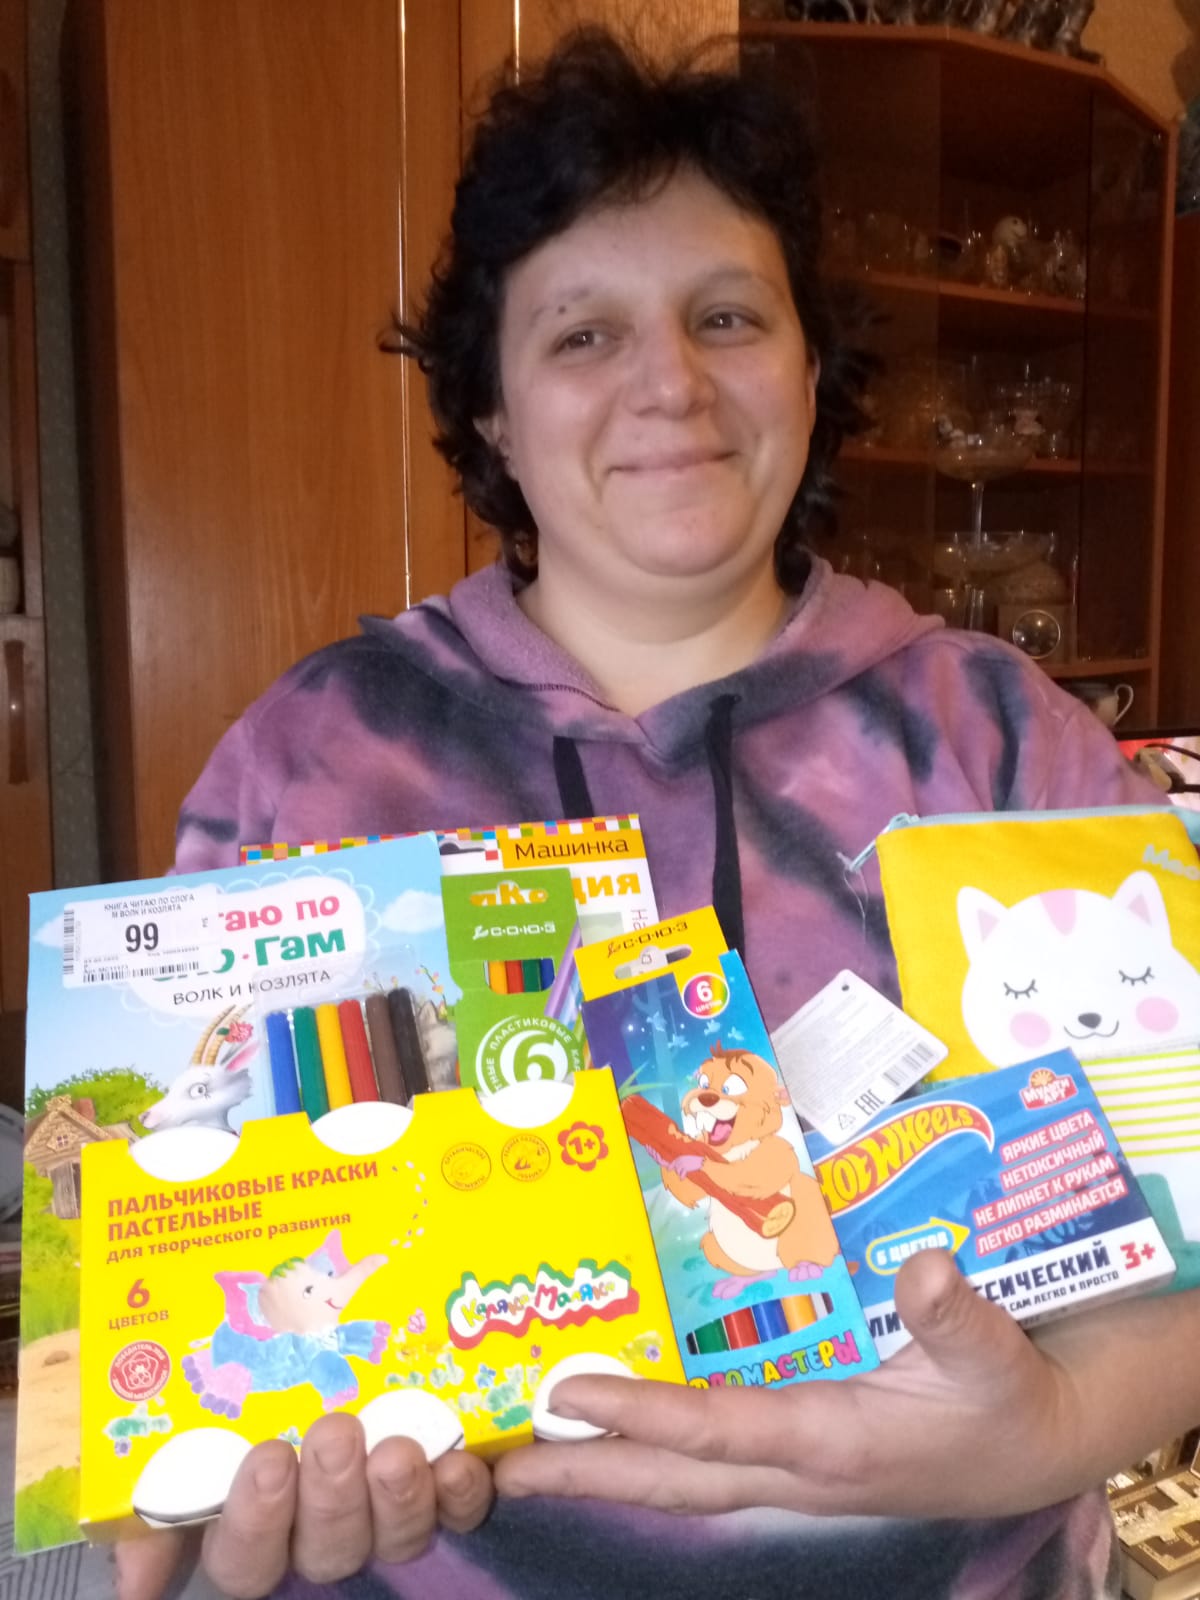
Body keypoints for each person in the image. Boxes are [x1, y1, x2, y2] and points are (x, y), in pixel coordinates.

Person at [120, 27, 1200, 1600]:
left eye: (728, 316)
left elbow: (1183, 1238)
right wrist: (195, 1475)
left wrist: (1046, 1438)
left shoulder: (997, 736)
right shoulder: (319, 762)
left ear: (810, 367)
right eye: (583, 335)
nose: (671, 384)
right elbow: (184, 1272)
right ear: (492, 408)